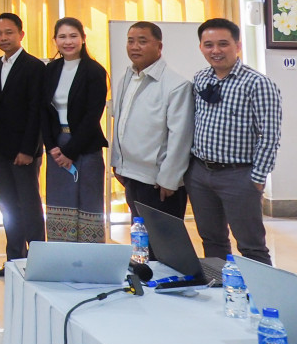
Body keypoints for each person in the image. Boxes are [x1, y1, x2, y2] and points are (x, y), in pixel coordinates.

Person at [188, 18, 281, 265]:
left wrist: (258, 178)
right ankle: (221, 293)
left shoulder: (258, 83)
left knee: (251, 245)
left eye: (223, 44)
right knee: (211, 239)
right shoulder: (200, 79)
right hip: (200, 173)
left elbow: (270, 135)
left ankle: (262, 298)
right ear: (201, 47)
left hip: (238, 176)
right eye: (208, 45)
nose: (215, 51)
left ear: (237, 46)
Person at [110, 22, 194, 236]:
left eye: (142, 41)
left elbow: (180, 136)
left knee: (164, 244)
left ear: (159, 46)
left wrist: (169, 178)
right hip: (131, 175)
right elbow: (120, 122)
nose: (135, 47)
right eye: (130, 41)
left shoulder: (175, 85)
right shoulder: (126, 79)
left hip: (158, 183)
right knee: (140, 239)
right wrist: (117, 163)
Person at [0, 13, 46, 276]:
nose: (3, 38)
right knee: (8, 206)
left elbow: (37, 112)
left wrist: (28, 150)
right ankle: (14, 260)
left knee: (30, 205)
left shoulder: (34, 66)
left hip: (24, 151)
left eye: (9, 32)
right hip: (0, 151)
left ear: (21, 34)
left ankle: (37, 260)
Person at [41, 18, 108, 244]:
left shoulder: (94, 71)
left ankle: (89, 261)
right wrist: (52, 147)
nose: (67, 41)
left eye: (73, 36)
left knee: (88, 202)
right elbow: (43, 110)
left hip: (85, 146)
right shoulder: (51, 69)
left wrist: (70, 152)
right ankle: (62, 258)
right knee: (60, 202)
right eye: (62, 36)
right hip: (57, 146)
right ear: (55, 40)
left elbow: (92, 116)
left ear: (83, 39)